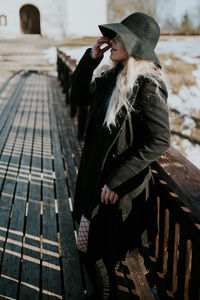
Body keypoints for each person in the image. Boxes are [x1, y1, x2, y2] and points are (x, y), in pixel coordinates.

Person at [69, 12, 170, 299]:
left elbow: (160, 140)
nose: (111, 40)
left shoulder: (147, 85)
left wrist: (116, 181)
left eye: (118, 37)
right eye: (111, 35)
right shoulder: (112, 76)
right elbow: (77, 97)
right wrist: (91, 59)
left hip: (115, 190)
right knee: (89, 249)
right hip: (95, 181)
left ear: (135, 44)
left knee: (99, 255)